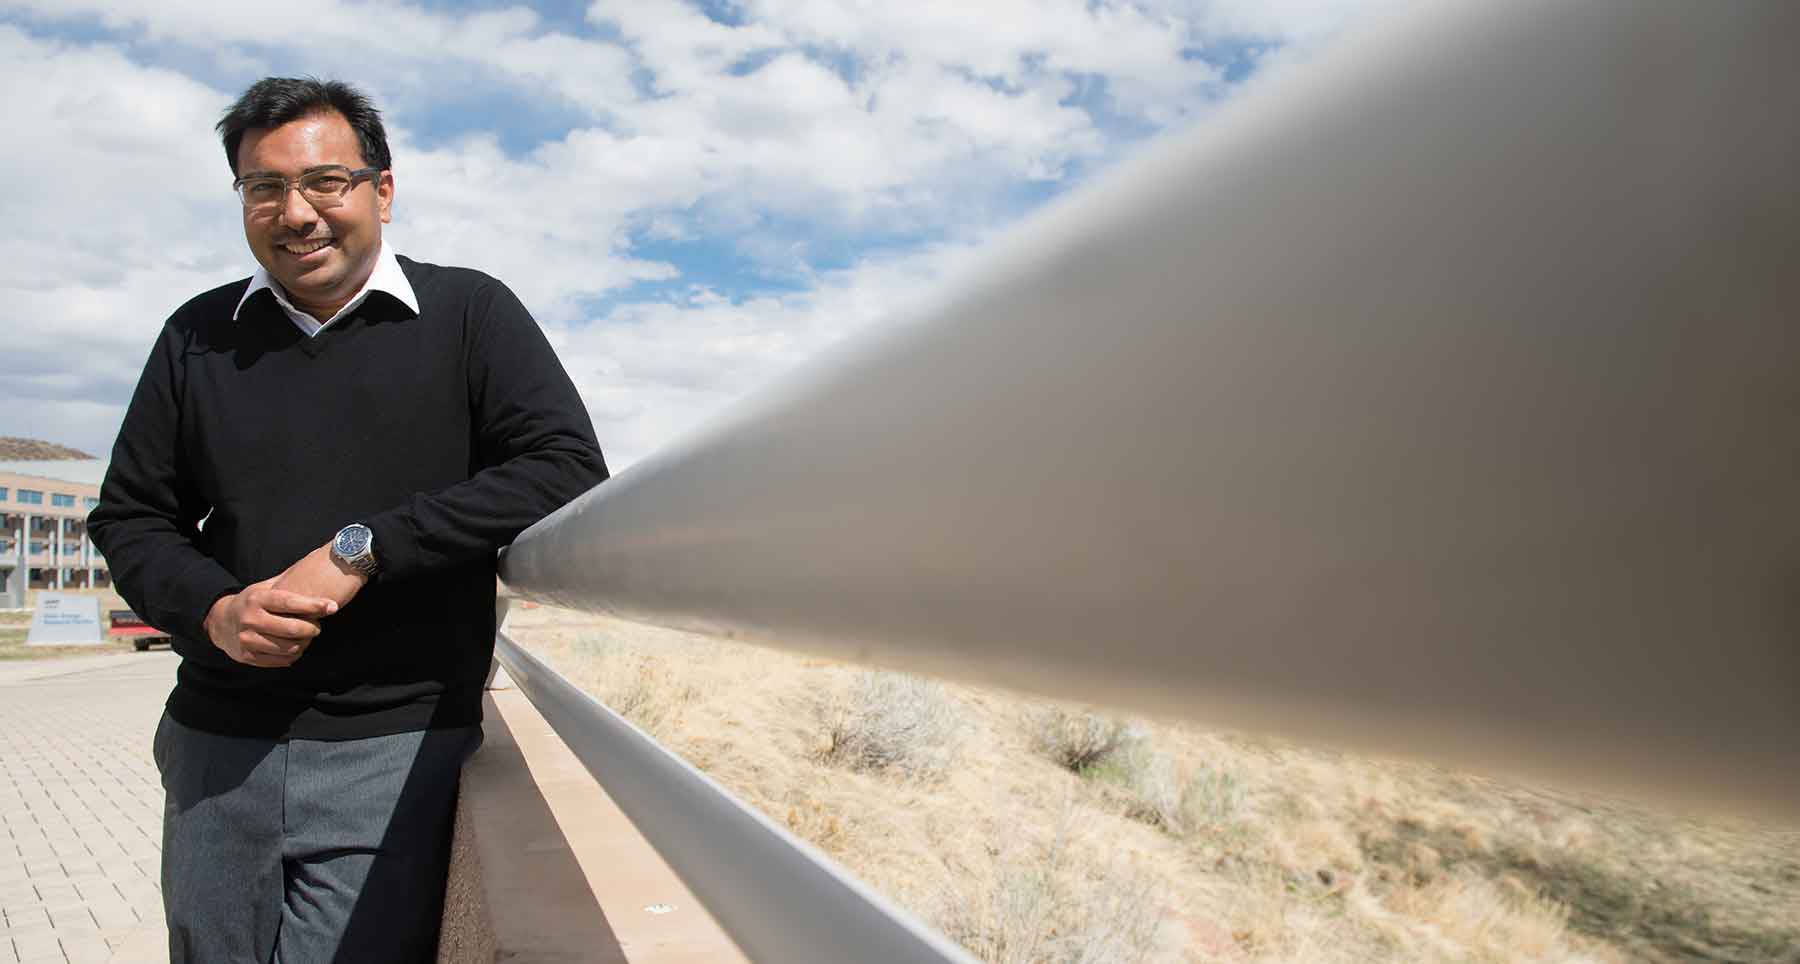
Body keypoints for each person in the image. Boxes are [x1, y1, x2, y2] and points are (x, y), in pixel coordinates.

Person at [88, 76, 609, 962]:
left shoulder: (471, 314)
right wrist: (215, 610)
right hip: (217, 743)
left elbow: (564, 468)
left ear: (383, 190)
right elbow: (133, 515)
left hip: (397, 744)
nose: (298, 213)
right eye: (265, 188)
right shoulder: (197, 334)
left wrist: (361, 551)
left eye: (326, 181)